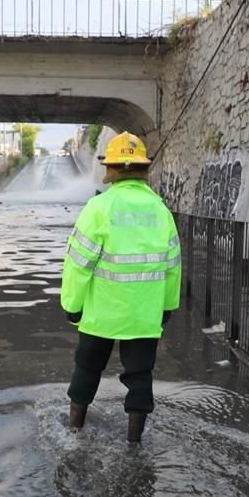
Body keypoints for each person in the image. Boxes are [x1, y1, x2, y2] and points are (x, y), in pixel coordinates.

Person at [60, 131, 181, 445]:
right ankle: (133, 443)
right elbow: (172, 266)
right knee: (140, 376)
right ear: (143, 169)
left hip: (100, 314)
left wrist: (72, 305)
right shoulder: (161, 211)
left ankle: (74, 432)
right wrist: (167, 307)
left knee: (87, 369)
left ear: (111, 169)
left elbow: (78, 263)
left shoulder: (98, 208)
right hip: (143, 316)